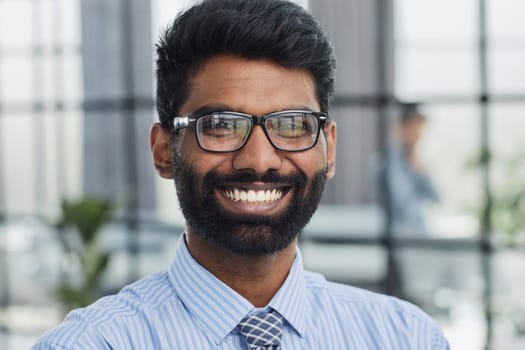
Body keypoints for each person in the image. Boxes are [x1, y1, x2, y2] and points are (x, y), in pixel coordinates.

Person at [32, 1, 449, 349]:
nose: (260, 160)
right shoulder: (92, 344)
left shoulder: (405, 337)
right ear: (163, 150)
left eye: (291, 124)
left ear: (330, 149)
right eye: (220, 125)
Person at [375, 103, 440, 235]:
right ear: (401, 128)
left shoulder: (417, 163)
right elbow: (401, 201)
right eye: (414, 130)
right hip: (398, 238)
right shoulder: (385, 163)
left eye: (420, 131)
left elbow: (437, 200)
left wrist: (421, 172)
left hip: (421, 235)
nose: (418, 137)